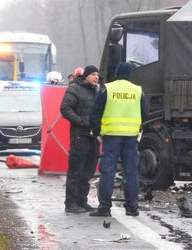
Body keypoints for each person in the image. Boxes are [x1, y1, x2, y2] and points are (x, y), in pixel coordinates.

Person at [89, 62, 148, 217]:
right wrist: (138, 129)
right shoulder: (138, 91)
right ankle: (132, 208)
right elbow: (145, 114)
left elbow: (95, 112)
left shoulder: (107, 89)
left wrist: (97, 132)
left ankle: (104, 208)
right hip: (131, 137)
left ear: (116, 73)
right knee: (131, 172)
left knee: (107, 172)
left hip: (111, 136)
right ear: (130, 75)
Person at [60, 65, 100, 213]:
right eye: (93, 74)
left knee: (89, 170)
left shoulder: (97, 90)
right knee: (76, 170)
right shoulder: (75, 89)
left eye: (98, 75)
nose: (96, 77)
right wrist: (80, 121)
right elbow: (65, 108)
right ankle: (71, 203)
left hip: (93, 135)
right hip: (79, 134)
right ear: (86, 76)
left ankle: (82, 200)